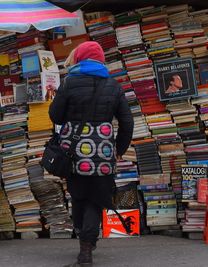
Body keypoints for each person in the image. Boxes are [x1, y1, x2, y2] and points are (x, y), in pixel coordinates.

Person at [49, 41, 133, 266]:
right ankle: (87, 247)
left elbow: (55, 116)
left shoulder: (69, 83)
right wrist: (119, 150)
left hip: (74, 153)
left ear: (79, 59)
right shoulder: (113, 86)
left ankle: (84, 245)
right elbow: (127, 122)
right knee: (97, 199)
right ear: (100, 60)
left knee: (78, 196)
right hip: (103, 153)